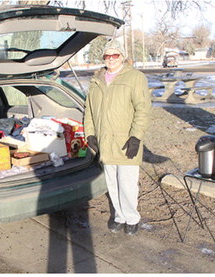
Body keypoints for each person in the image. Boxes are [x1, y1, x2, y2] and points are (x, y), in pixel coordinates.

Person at [83, 40, 151, 236]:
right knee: (112, 182)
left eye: (115, 55)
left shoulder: (134, 77)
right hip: (105, 141)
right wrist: (90, 133)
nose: (111, 59)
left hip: (125, 140)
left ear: (122, 57)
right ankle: (119, 216)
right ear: (103, 58)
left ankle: (132, 218)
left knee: (127, 183)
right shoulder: (97, 80)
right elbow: (89, 111)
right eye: (107, 55)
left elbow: (143, 109)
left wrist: (136, 137)